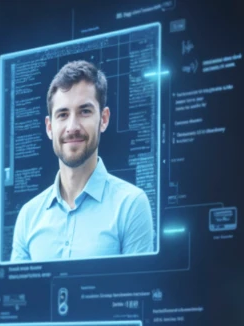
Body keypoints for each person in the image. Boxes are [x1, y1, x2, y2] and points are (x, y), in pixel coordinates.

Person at [9, 60, 154, 262]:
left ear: (103, 119)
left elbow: (138, 290)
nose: (72, 126)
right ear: (49, 127)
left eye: (84, 111)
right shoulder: (28, 216)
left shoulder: (130, 205)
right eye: (63, 114)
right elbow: (18, 293)